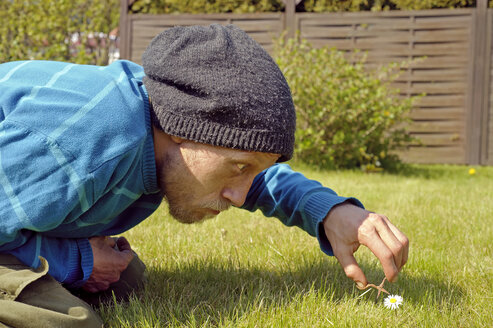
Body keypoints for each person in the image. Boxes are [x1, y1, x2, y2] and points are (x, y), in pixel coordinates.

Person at [0, 24, 408, 327]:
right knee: (67, 321)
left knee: (127, 283)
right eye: (240, 167)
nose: (239, 195)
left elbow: (259, 176)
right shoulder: (83, 144)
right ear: (183, 130)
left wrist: (329, 212)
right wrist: (80, 259)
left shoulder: (165, 117)